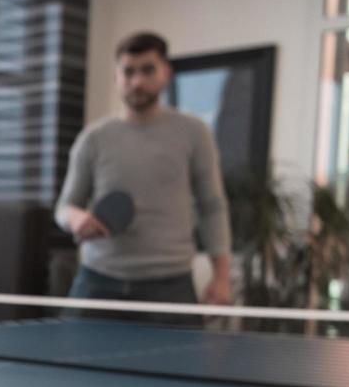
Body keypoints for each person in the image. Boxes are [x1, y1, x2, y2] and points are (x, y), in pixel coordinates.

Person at [56, 31, 232, 309]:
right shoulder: (93, 138)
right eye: (128, 72)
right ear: (116, 77)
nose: (137, 81)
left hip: (170, 285)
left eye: (148, 70)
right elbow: (64, 207)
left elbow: (212, 206)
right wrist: (75, 218)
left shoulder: (194, 133)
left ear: (167, 73)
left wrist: (222, 278)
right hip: (98, 281)